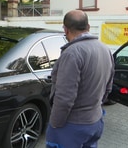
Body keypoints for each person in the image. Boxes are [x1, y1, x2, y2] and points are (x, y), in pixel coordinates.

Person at [46, 10, 114, 148]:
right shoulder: (105, 49)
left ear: (65, 29)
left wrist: (55, 124)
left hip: (73, 126)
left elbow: (65, 97)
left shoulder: (72, 53)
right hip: (95, 121)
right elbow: (108, 87)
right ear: (88, 27)